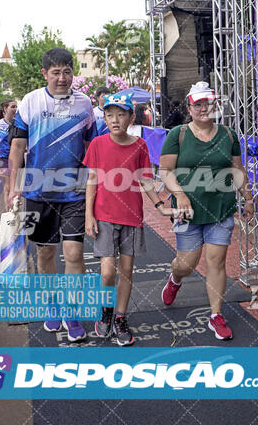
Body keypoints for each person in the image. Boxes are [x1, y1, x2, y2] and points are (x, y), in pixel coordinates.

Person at [8, 47, 97, 342]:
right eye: (55, 72)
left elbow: (92, 149)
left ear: (73, 73)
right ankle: (52, 304)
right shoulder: (30, 103)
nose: (62, 77)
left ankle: (71, 311)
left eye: (67, 71)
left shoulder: (85, 105)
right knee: (45, 253)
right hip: (38, 191)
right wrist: (13, 186)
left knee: (73, 253)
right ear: (45, 74)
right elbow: (17, 148)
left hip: (74, 191)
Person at [159, 81, 254, 340]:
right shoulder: (177, 134)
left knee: (216, 262)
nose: (203, 109)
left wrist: (247, 197)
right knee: (187, 265)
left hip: (221, 209)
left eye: (208, 104)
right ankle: (175, 279)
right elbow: (164, 172)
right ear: (189, 107)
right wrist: (179, 194)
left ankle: (215, 315)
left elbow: (237, 170)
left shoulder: (229, 135)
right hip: (186, 212)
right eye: (198, 104)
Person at [83, 91, 172, 346]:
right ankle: (106, 310)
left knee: (127, 272)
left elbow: (145, 180)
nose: (115, 120)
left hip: (132, 218)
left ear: (131, 117)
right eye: (109, 115)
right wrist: (89, 215)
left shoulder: (140, 146)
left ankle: (120, 317)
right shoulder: (98, 144)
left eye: (121, 115)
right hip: (104, 217)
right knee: (107, 272)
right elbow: (92, 181)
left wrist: (158, 204)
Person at [0, 99, 17, 210]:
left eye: (16, 106)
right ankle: (8, 212)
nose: (16, 109)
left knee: (16, 187)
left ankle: (16, 213)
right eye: (13, 106)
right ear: (5, 109)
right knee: (7, 187)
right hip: (3, 157)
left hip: (17, 158)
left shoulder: (20, 123)